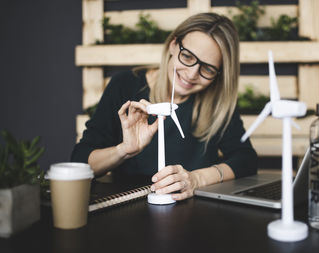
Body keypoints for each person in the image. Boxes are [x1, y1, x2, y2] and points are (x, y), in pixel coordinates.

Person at [71, 12, 258, 201]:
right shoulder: (125, 85)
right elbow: (80, 161)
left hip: (194, 212)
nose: (192, 74)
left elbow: (246, 159)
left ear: (220, 73)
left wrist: (196, 178)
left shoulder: (218, 102)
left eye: (208, 69)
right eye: (187, 56)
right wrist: (123, 150)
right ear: (173, 45)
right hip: (127, 210)